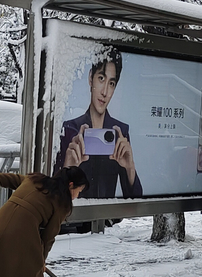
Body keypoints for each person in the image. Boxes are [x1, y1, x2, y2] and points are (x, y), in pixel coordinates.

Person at [56, 49, 143, 198]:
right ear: (91, 78)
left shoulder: (120, 132)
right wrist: (67, 168)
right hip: (75, 219)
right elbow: (54, 197)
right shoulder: (70, 130)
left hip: (107, 220)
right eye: (101, 78)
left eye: (111, 83)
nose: (105, 92)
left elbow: (134, 200)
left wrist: (130, 168)